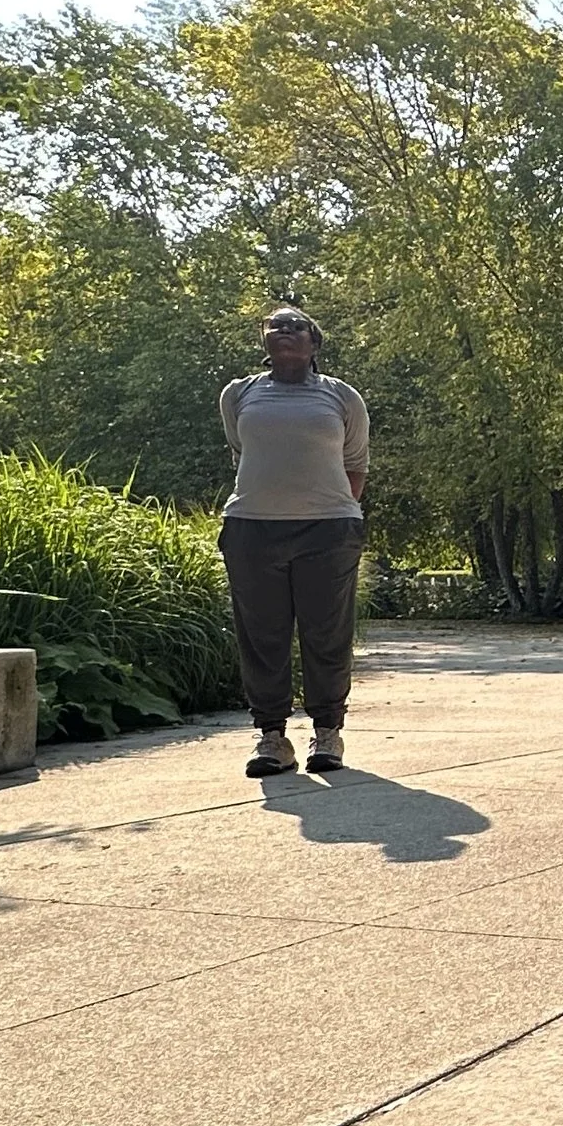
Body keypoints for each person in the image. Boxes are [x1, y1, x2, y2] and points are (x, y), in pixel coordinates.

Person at [217, 307, 369, 780]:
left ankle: (327, 733)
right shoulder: (239, 394)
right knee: (262, 637)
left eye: (296, 325)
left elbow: (356, 463)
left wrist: (329, 510)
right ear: (264, 339)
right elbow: (243, 452)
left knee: (327, 634)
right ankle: (272, 738)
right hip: (252, 529)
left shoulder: (341, 397)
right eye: (275, 325)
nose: (284, 330)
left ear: (314, 343)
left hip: (327, 531)